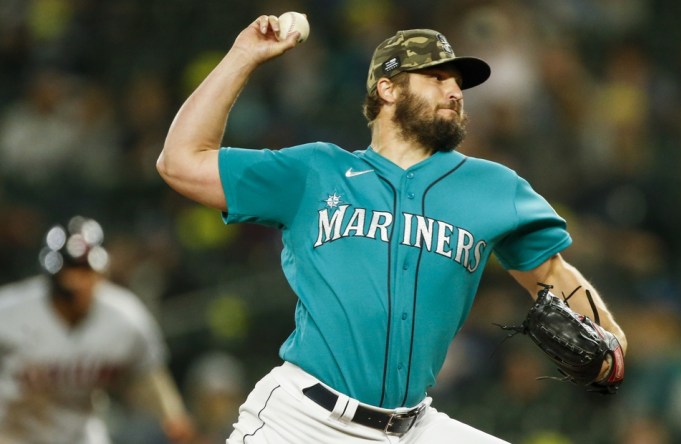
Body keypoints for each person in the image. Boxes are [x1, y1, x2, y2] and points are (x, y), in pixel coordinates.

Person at [156, 15, 628, 443]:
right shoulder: (316, 171)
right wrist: (244, 55)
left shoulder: (493, 187)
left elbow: (552, 271)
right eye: (437, 77)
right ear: (387, 89)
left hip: (413, 426)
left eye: (458, 82)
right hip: (300, 421)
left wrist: (613, 346)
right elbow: (180, 162)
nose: (455, 91)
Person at [0, 216, 194, 444]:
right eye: (73, 270)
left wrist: (173, 416)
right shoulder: (10, 311)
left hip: (81, 435)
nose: (80, 281)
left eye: (86, 270)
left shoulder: (126, 317)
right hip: (14, 433)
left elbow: (147, 374)